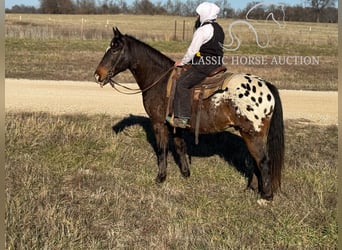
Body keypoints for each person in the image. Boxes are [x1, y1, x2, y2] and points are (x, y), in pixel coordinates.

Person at [166, 2, 225, 128]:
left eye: (199, 15)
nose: (198, 18)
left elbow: (192, 51)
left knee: (182, 83)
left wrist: (183, 62)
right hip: (216, 63)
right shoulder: (219, 29)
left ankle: (182, 118)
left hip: (204, 65)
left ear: (204, 14)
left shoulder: (202, 30)